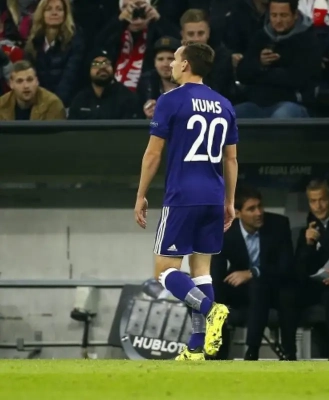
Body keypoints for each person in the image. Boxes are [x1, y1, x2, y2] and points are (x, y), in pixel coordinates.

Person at [133, 41, 238, 362]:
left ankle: (211, 309)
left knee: (164, 271)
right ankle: (195, 347)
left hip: (183, 196)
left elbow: (153, 154)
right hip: (213, 196)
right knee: (201, 271)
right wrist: (230, 201)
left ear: (187, 64)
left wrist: (140, 194)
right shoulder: (224, 104)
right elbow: (231, 159)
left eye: (176, 59)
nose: (171, 65)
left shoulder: (170, 100)